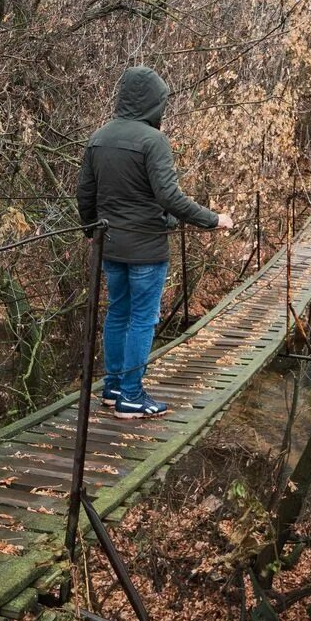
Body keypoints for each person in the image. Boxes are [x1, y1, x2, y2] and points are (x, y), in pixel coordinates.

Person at [77, 67, 232, 419]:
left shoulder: (99, 137)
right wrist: (213, 219)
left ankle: (113, 388)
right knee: (143, 319)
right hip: (146, 247)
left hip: (110, 246)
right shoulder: (152, 141)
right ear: (152, 103)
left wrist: (92, 230)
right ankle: (131, 396)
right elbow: (170, 197)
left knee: (117, 313)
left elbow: (85, 194)